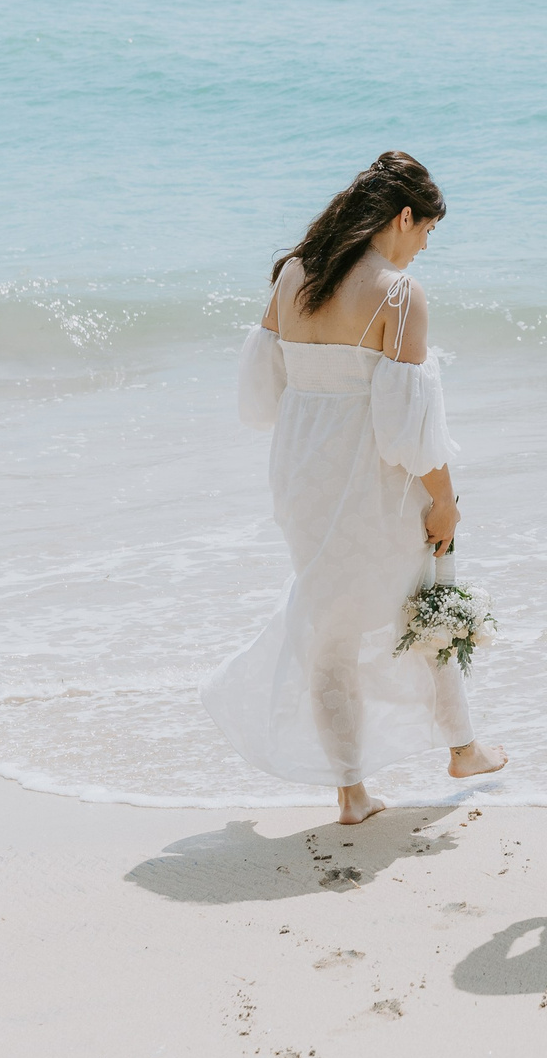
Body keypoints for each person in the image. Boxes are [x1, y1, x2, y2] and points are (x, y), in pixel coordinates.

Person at [203, 152, 505, 826]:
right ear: (403, 216)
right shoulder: (399, 294)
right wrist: (446, 500)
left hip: (301, 472)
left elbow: (261, 392)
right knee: (426, 599)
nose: (424, 246)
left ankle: (352, 791)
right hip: (369, 478)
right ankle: (462, 747)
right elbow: (410, 430)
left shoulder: (292, 274)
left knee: (330, 624)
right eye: (426, 230)